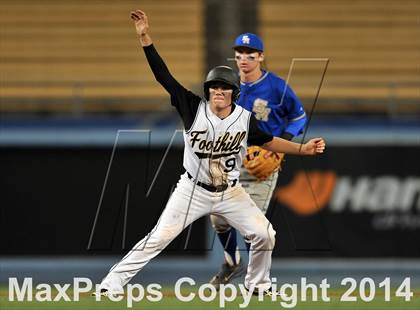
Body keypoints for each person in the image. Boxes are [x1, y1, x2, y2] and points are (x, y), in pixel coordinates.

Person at [96, 10, 325, 297]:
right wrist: (145, 38)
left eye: (225, 87)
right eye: (214, 86)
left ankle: (258, 285)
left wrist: (302, 149)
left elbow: (268, 141)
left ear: (234, 93)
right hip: (192, 189)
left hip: (230, 191)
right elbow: (162, 76)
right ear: (207, 90)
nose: (218, 91)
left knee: (265, 234)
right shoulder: (192, 107)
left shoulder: (243, 118)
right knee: (159, 237)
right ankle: (111, 283)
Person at [209, 33, 307, 288]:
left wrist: (280, 148)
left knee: (253, 226)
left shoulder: (276, 87)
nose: (243, 60)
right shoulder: (229, 85)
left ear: (261, 57)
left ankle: (257, 281)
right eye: (239, 55)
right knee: (218, 218)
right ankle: (231, 263)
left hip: (262, 160)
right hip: (230, 159)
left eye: (250, 56)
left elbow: (299, 118)